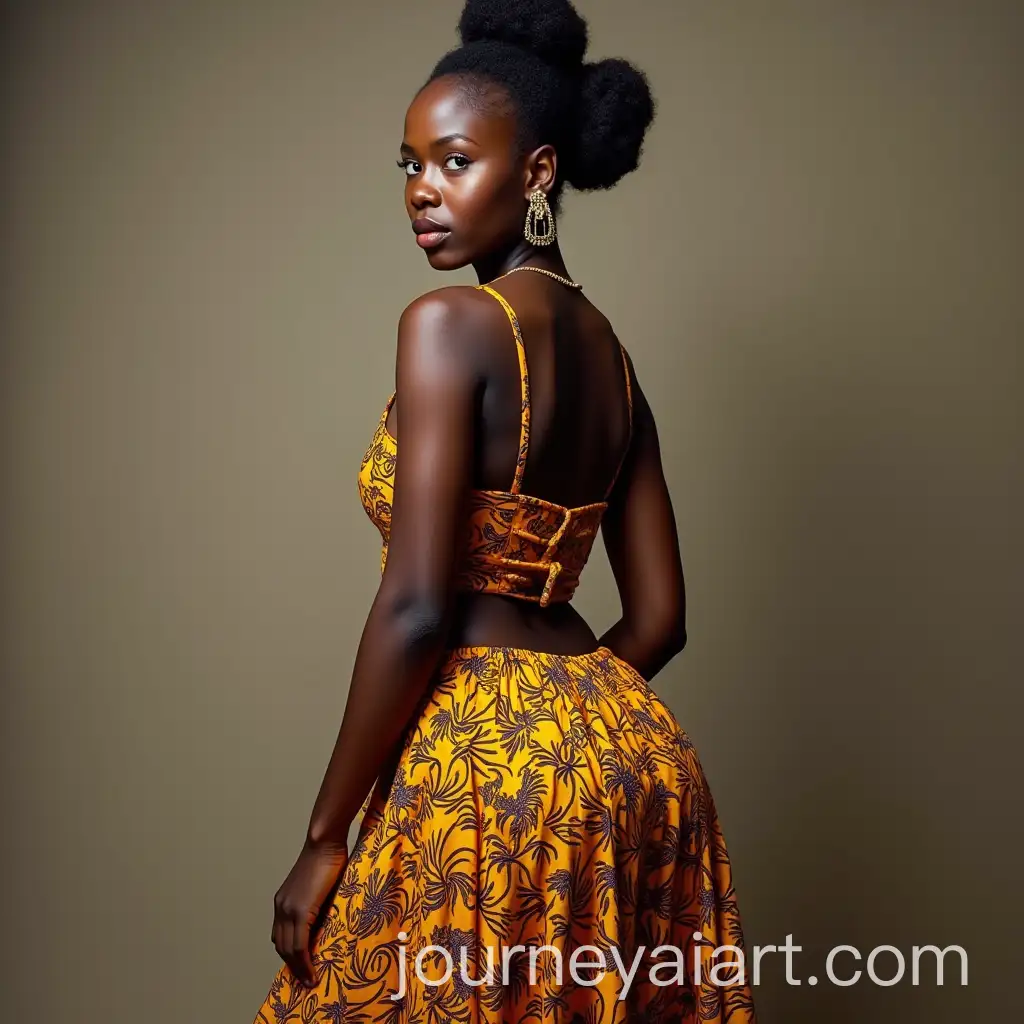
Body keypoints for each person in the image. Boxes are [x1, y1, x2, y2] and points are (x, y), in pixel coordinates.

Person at [253, 1, 756, 1020]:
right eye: (409, 167)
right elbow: (661, 618)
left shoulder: (449, 326)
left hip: (489, 775)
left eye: (451, 162)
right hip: (634, 762)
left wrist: (323, 837)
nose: (421, 194)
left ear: (535, 173)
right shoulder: (614, 360)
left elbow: (417, 608)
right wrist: (572, 729)